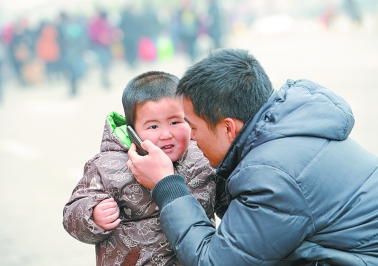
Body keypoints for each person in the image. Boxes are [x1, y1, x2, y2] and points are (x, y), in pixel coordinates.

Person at [127, 49, 378, 265]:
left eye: (193, 126)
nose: (191, 137)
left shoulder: (271, 176)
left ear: (228, 128)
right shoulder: (291, 124)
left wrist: (167, 185)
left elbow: (213, 261)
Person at [63, 71, 227, 266]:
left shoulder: (202, 156)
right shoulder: (108, 166)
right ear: (132, 130)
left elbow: (231, 203)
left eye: (175, 122)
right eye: (153, 127)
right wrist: (92, 215)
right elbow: (72, 213)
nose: (166, 134)